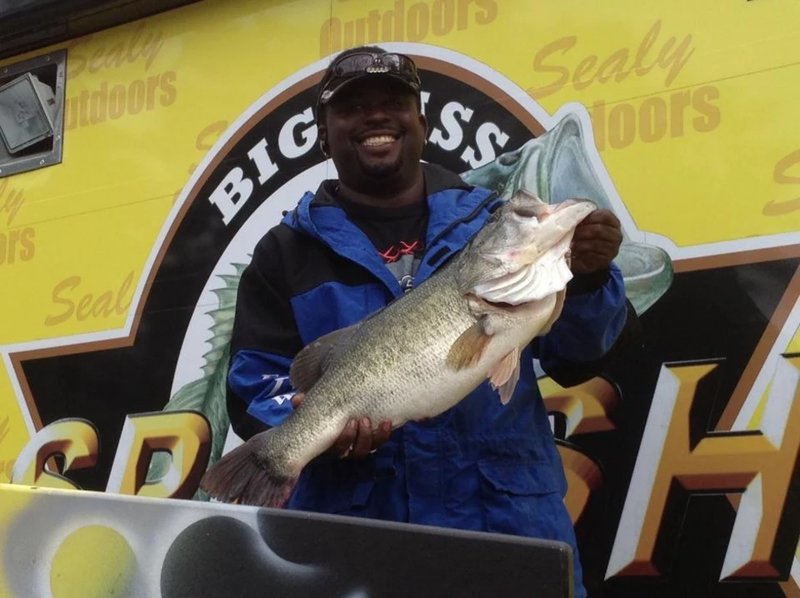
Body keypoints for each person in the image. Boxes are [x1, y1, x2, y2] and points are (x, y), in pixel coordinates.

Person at [225, 45, 633, 597]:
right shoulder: (283, 254)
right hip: (356, 552)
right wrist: (309, 420)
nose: (376, 116)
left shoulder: (491, 222)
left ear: (422, 121)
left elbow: (580, 355)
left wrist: (584, 277)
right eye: (353, 107)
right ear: (324, 134)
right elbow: (256, 381)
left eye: (394, 101)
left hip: (505, 539)